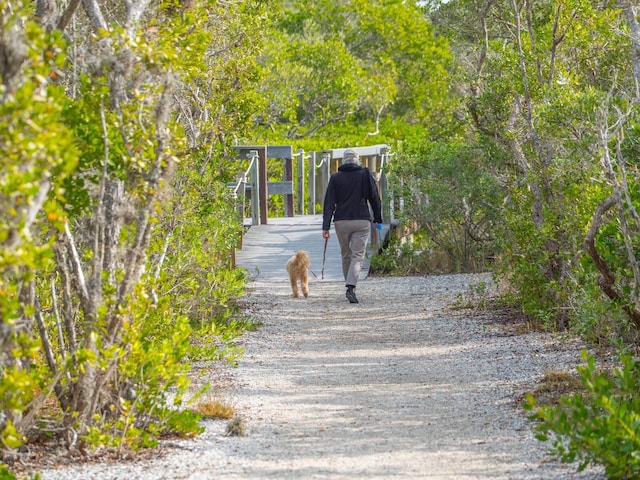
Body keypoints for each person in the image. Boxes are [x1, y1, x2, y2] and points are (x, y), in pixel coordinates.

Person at [322, 148, 383, 303]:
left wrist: (326, 226)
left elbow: (329, 204)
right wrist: (378, 218)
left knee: (346, 254)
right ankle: (351, 287)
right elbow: (374, 198)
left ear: (343, 161)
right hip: (361, 220)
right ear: (358, 160)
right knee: (357, 255)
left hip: (341, 221)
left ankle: (350, 286)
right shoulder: (365, 174)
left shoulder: (335, 177)